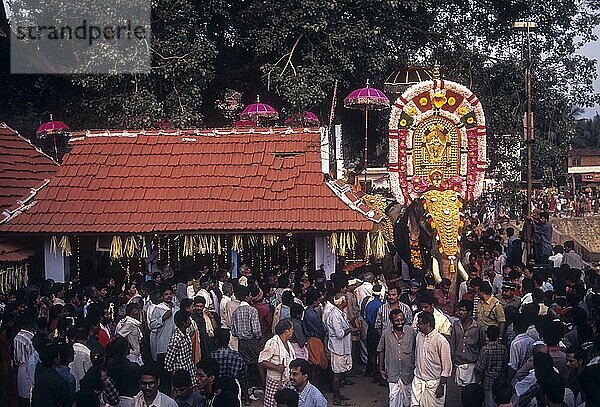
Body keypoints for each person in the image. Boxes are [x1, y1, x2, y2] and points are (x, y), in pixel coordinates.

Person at [411, 311, 452, 407]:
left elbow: (447, 367)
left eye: (420, 324)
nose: (417, 325)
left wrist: (441, 386)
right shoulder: (419, 336)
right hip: (418, 381)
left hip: (434, 384)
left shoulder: (441, 341)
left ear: (427, 324)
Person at [377, 309, 416, 407]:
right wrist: (381, 368)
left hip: (408, 373)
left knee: (408, 399)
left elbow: (417, 348)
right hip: (392, 373)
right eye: (397, 321)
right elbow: (381, 350)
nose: (400, 323)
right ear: (391, 321)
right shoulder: (386, 333)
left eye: (402, 320)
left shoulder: (411, 332)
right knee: (393, 399)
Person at [325, 293, 355, 406]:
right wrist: (350, 329)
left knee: (341, 372)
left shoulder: (340, 313)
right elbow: (340, 333)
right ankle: (336, 397)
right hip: (337, 349)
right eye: (345, 300)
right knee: (337, 374)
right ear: (342, 302)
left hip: (343, 348)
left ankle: (338, 394)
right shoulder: (334, 315)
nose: (347, 302)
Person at [259, 319, 296, 407]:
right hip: (275, 380)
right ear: (286, 332)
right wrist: (276, 367)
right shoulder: (272, 343)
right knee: (272, 403)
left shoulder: (288, 343)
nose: (293, 331)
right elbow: (262, 361)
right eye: (292, 329)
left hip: (286, 379)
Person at [450, 300, 486, 391]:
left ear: (469, 312)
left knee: (471, 391)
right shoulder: (455, 325)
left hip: (472, 364)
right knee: (462, 390)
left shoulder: (477, 327)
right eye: (459, 310)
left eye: (463, 310)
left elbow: (482, 345)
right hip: (459, 363)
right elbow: (453, 343)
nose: (460, 312)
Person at [210, 328, 249, 406]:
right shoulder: (237, 356)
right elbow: (243, 378)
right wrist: (247, 398)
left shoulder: (213, 356)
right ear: (229, 340)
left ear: (216, 341)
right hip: (233, 388)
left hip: (217, 388)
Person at [475, 326, 508, 407]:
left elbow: (480, 368)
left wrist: (478, 381)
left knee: (489, 403)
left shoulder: (485, 349)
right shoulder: (503, 348)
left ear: (487, 335)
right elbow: (505, 365)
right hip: (500, 381)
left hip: (488, 382)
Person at [149, 285, 179, 363]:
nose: (168, 296)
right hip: (163, 345)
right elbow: (152, 325)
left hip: (176, 345)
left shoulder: (176, 308)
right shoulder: (158, 309)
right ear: (162, 296)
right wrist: (162, 318)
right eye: (166, 294)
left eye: (170, 294)